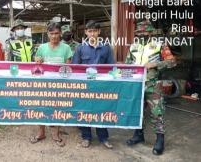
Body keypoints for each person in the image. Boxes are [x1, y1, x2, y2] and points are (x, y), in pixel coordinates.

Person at [125, 21, 176, 156]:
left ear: (150, 32)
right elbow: (128, 63)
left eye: (144, 32)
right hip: (137, 85)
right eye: (139, 32)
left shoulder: (159, 45)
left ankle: (160, 141)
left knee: (157, 112)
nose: (141, 34)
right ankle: (138, 135)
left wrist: (156, 63)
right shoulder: (133, 46)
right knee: (138, 111)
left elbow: (172, 61)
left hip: (153, 85)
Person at [71, 20, 115, 149]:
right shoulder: (80, 48)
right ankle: (86, 137)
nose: (92, 34)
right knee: (85, 110)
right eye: (89, 31)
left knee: (102, 110)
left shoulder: (106, 47)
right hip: (85, 86)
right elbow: (75, 68)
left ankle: (103, 138)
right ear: (85, 32)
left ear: (99, 32)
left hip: (101, 86)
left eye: (95, 31)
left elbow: (112, 67)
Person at [30, 22, 73, 147]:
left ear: (60, 34)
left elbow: (68, 67)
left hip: (60, 85)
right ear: (47, 34)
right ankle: (41, 132)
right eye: (51, 33)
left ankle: (56, 134)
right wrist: (37, 60)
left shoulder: (66, 48)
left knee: (58, 108)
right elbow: (36, 63)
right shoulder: (42, 47)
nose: (54, 36)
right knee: (41, 107)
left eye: (56, 33)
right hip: (43, 84)